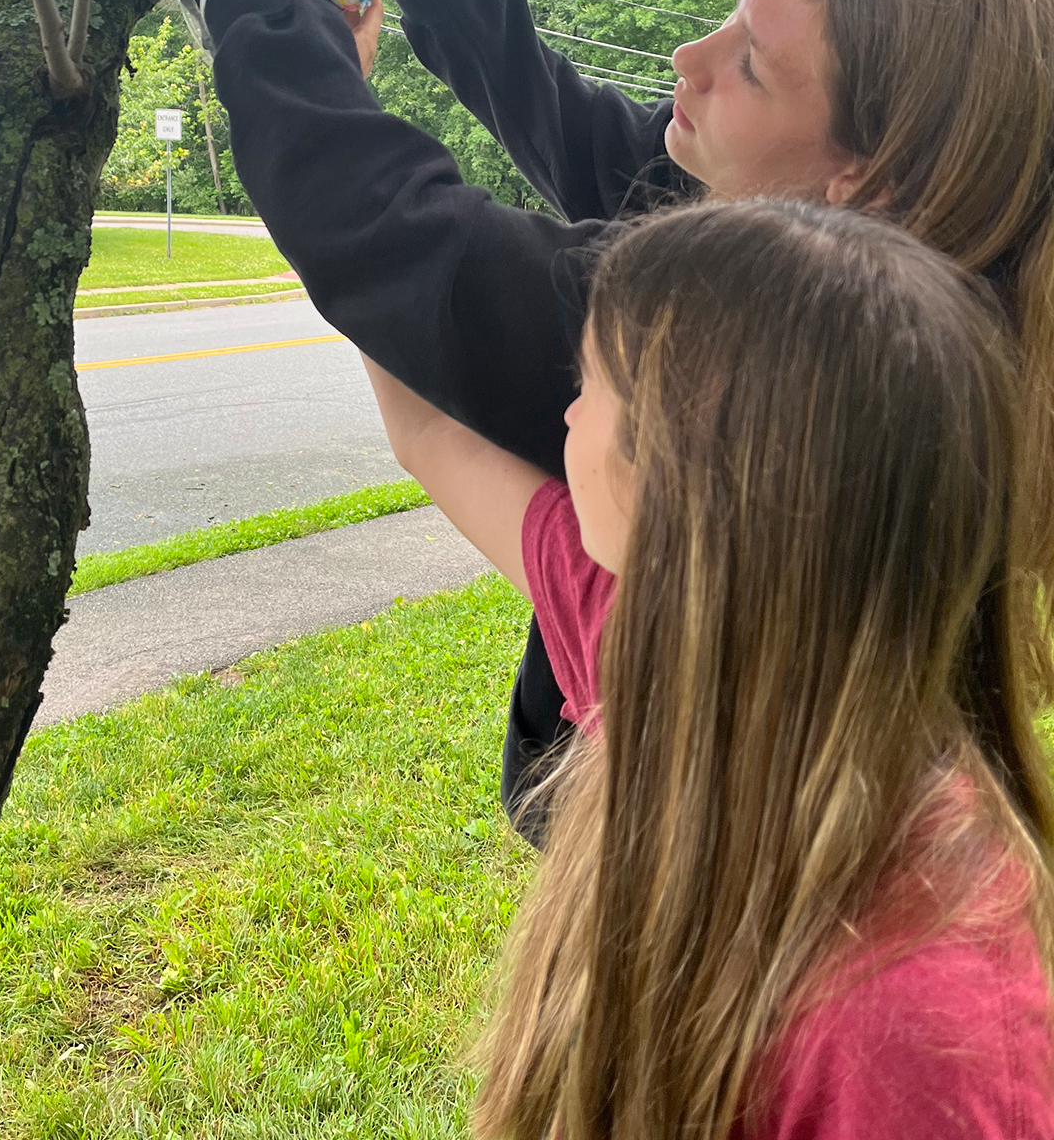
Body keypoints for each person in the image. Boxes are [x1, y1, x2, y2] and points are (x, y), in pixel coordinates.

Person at [135, 0, 1054, 830]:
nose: (688, 54)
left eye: (751, 63)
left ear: (867, 176)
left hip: (648, 858)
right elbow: (576, 128)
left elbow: (390, 234)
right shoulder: (933, 316)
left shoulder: (748, 370)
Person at [360, 200, 1054, 1138]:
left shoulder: (922, 1025)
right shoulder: (653, 648)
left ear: (687, 481)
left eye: (591, 378)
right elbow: (430, 436)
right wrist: (341, 180)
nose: (565, 406)